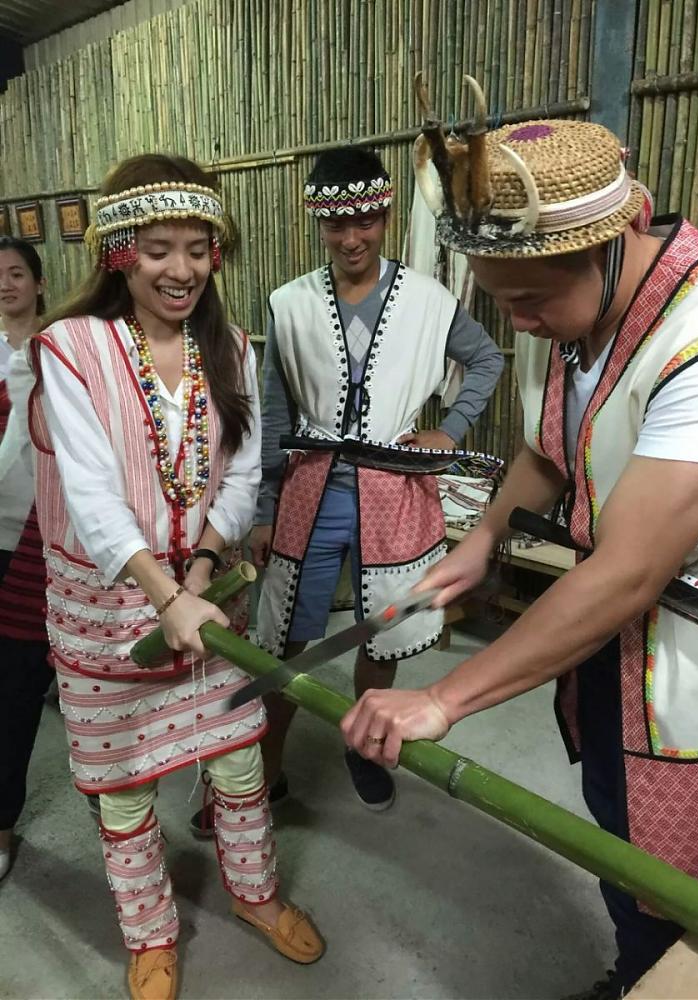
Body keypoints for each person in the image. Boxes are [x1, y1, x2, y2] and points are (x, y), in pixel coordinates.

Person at [341, 111, 698, 999]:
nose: (518, 325)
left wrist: (445, 698)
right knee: (617, 824)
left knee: (694, 870)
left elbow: (631, 568)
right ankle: (636, 970)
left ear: (619, 235)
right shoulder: (578, 315)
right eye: (498, 300)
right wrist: (485, 538)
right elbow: (549, 450)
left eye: (530, 300)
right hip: (612, 634)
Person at [29, 154, 324, 1000]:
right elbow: (89, 491)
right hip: (106, 608)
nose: (183, 269)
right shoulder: (71, 347)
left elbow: (239, 473)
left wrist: (198, 575)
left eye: (200, 247)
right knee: (124, 794)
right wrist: (167, 597)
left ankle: (256, 895)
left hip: (203, 595)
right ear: (120, 250)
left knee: (236, 765)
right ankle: (150, 935)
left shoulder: (228, 345)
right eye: (159, 248)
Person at [210, 144, 503, 822]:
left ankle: (366, 748)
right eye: (337, 225)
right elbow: (277, 410)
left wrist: (450, 430)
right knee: (282, 639)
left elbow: (484, 359)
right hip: (311, 491)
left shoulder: (428, 301)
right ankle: (264, 774)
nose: (352, 238)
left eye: (365, 221)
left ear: (385, 215)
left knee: (382, 634)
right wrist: (263, 507)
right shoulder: (291, 303)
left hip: (395, 492)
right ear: (319, 225)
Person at [0, 237, 53, 881]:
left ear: (40, 283)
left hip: (48, 535)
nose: (6, 284)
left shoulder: (62, 345)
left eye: (16, 273)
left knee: (22, 681)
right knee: (8, 688)